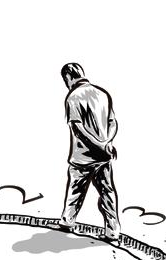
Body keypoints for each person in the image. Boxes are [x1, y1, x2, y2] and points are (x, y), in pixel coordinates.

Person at [58, 63, 120, 242]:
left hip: (82, 156)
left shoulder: (73, 97)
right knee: (107, 192)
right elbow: (113, 122)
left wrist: (98, 145)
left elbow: (78, 129)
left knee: (75, 189)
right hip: (104, 156)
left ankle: (67, 221)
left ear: (68, 77)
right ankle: (113, 231)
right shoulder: (102, 94)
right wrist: (107, 143)